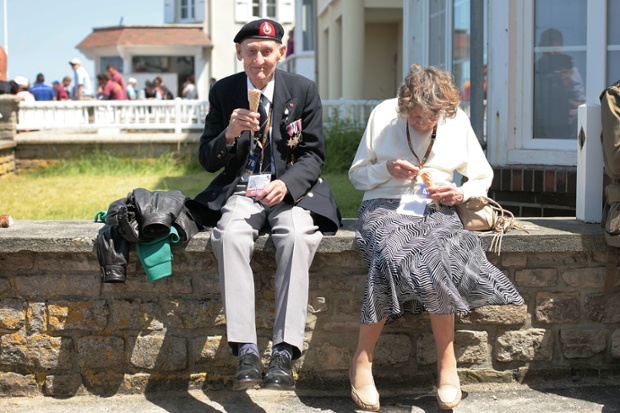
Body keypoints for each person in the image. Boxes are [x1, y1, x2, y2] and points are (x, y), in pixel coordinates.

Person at [348, 64, 524, 411]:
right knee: (389, 252)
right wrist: (386, 169)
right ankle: (362, 360)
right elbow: (355, 177)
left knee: (442, 251)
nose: (422, 124)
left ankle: (447, 363)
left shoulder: (457, 120)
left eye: (430, 119)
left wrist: (457, 193)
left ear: (444, 110)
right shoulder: (383, 113)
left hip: (436, 208)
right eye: (415, 117)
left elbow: (481, 176)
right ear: (403, 105)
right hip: (383, 205)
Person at [191, 18, 341, 391]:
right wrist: (228, 133)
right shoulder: (224, 92)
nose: (259, 60)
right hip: (243, 188)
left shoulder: (302, 90)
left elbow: (313, 154)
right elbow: (207, 158)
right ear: (239, 53)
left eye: (266, 51)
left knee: (295, 236)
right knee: (229, 236)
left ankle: (284, 352)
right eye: (251, 51)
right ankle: (246, 349)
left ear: (281, 52)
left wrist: (286, 184)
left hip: (291, 192)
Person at [533, 28, 585, 139]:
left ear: (561, 47)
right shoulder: (533, 71)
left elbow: (581, 105)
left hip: (565, 127)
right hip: (537, 128)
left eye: (555, 50)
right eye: (548, 49)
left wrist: (562, 89)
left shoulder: (571, 72)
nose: (552, 53)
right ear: (540, 46)